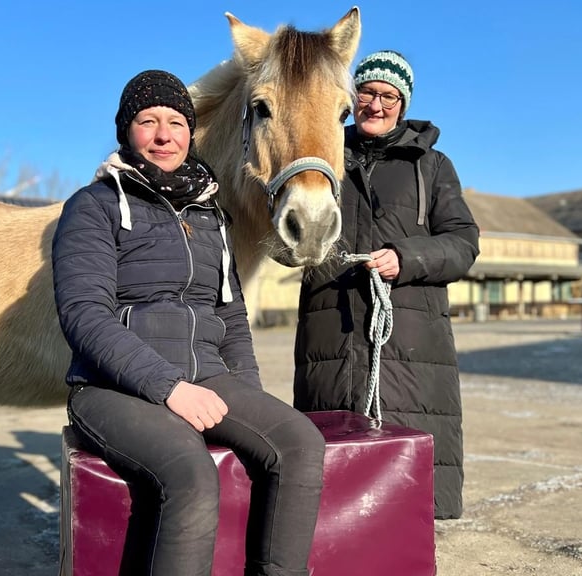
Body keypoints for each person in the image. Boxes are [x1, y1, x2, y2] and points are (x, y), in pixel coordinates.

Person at [53, 70, 325, 576]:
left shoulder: (209, 216)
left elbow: (230, 315)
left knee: (300, 444)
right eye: (148, 121)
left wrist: (251, 398)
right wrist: (168, 387)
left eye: (176, 122)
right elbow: (84, 316)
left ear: (190, 131)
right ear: (126, 131)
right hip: (113, 387)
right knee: (192, 475)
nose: (164, 135)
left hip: (206, 376)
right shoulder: (92, 207)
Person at [293, 51, 480, 520]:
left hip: (409, 348)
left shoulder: (432, 166)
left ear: (403, 102)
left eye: (388, 96)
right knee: (332, 494)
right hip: (330, 337)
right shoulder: (323, 155)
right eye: (367, 92)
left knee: (405, 495)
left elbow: (463, 243)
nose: (375, 105)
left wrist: (408, 257)